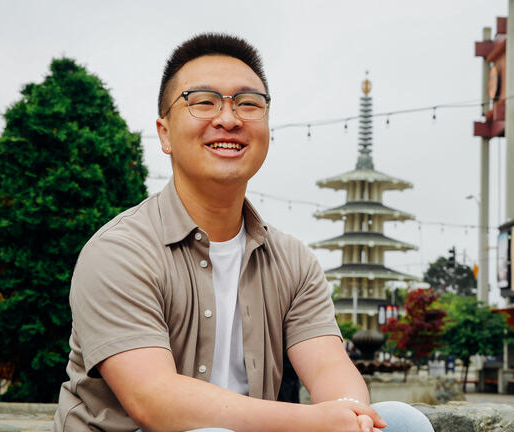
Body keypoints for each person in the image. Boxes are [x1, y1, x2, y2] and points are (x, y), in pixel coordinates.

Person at [53, 33, 434, 432]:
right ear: (164, 133)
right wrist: (313, 421)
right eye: (203, 102)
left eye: (248, 104)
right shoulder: (121, 251)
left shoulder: (292, 260)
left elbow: (329, 369)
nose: (229, 119)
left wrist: (350, 415)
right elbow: (155, 401)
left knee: (402, 421)